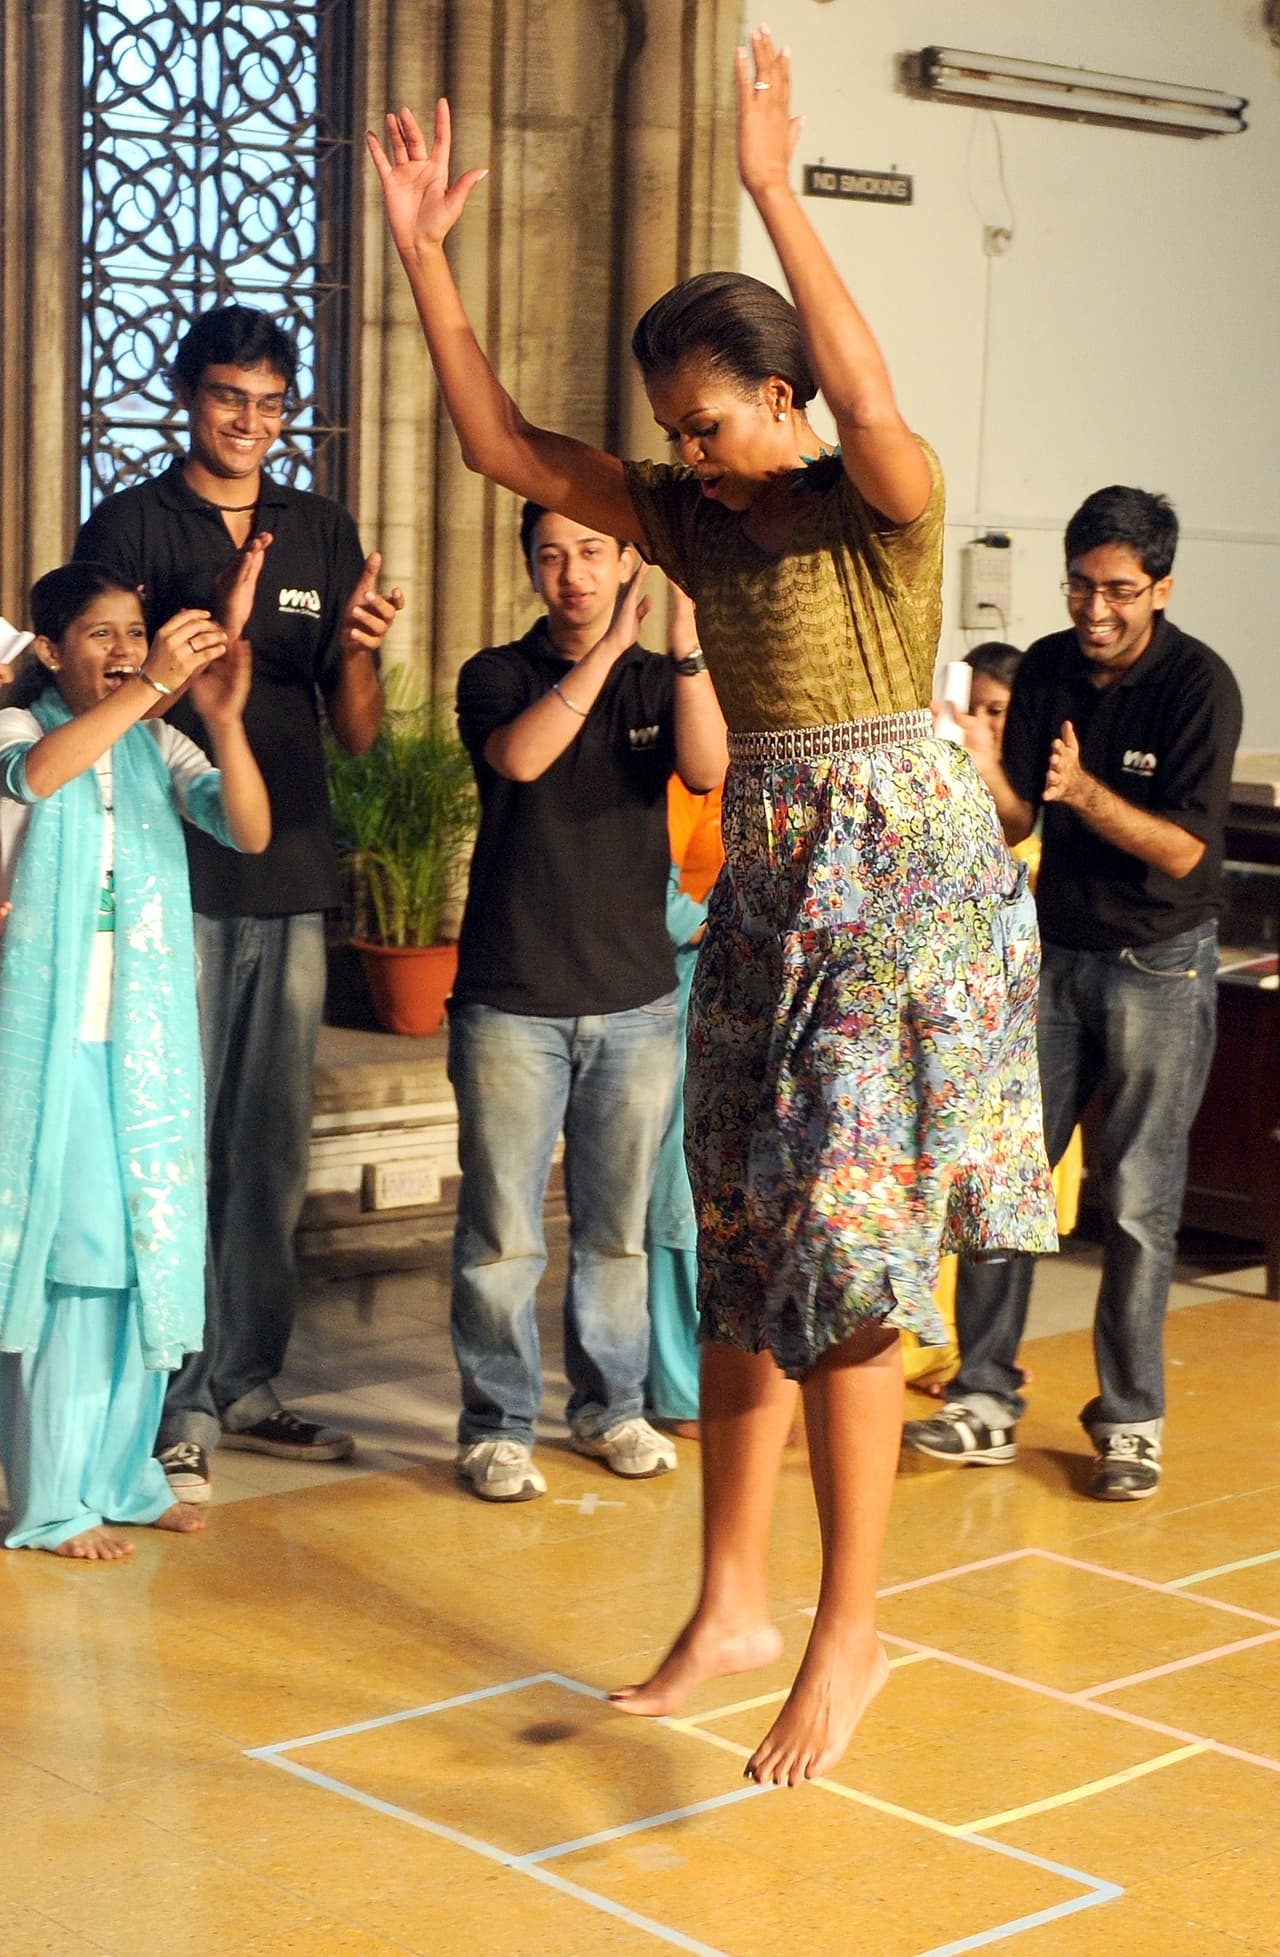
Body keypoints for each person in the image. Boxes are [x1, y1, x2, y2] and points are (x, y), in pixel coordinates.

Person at [369, 26, 1054, 1784]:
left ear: (784, 395)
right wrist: (426, 262)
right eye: (678, 430)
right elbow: (507, 446)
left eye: (720, 418)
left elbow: (878, 403)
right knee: (741, 1239)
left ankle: (850, 1628)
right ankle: (733, 1600)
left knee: (841, 1256)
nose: (699, 454)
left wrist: (775, 189)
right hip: (770, 885)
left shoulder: (879, 506)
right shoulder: (691, 524)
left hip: (896, 893)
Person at [74, 305, 404, 1505]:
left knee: (268, 1151)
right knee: (176, 1138)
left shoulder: (318, 528)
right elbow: (92, 693)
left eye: (269, 404)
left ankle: (248, 1379)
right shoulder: (131, 525)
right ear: (189, 398)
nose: (250, 424)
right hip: (173, 876)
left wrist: (360, 646)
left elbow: (356, 735)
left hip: (291, 873)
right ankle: (173, 1395)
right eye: (229, 398)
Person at [904, 486, 1242, 1501]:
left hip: (1159, 963)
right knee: (1005, 1181)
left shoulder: (1197, 686)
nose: (1093, 610)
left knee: (1136, 1206)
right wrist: (978, 768)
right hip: (1052, 956)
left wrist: (1083, 790)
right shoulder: (1048, 666)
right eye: (1080, 586)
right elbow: (1015, 821)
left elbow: (1184, 851)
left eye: (1117, 592)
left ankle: (1128, 1422)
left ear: (1161, 586)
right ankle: (982, 1399)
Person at [447, 501, 726, 1502]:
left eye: (592, 553)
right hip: (511, 1000)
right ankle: (497, 1426)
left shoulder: (662, 680)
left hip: (635, 1001)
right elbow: (522, 759)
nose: (572, 571)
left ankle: (612, 1409)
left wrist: (682, 649)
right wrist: (610, 648)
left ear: (624, 563)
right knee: (502, 1235)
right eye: (551, 555)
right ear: (530, 569)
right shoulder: (495, 675)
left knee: (614, 1231)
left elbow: (705, 768)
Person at [0, 561, 271, 1556]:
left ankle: (122, 1476)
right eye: (100, 635)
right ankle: (50, 1499)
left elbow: (247, 829)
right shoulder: (21, 730)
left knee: (143, 1252)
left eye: (134, 631)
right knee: (73, 1265)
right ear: (48, 650)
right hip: (46, 1043)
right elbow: (39, 779)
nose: (124, 651)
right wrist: (156, 683)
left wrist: (228, 721)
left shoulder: (160, 740)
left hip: (144, 1044)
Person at [646, 588, 725, 1438]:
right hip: (682, 978)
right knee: (678, 1192)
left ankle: (753, 1368)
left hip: (772, 986)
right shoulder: (663, 722)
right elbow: (639, 869)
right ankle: (678, 1386)